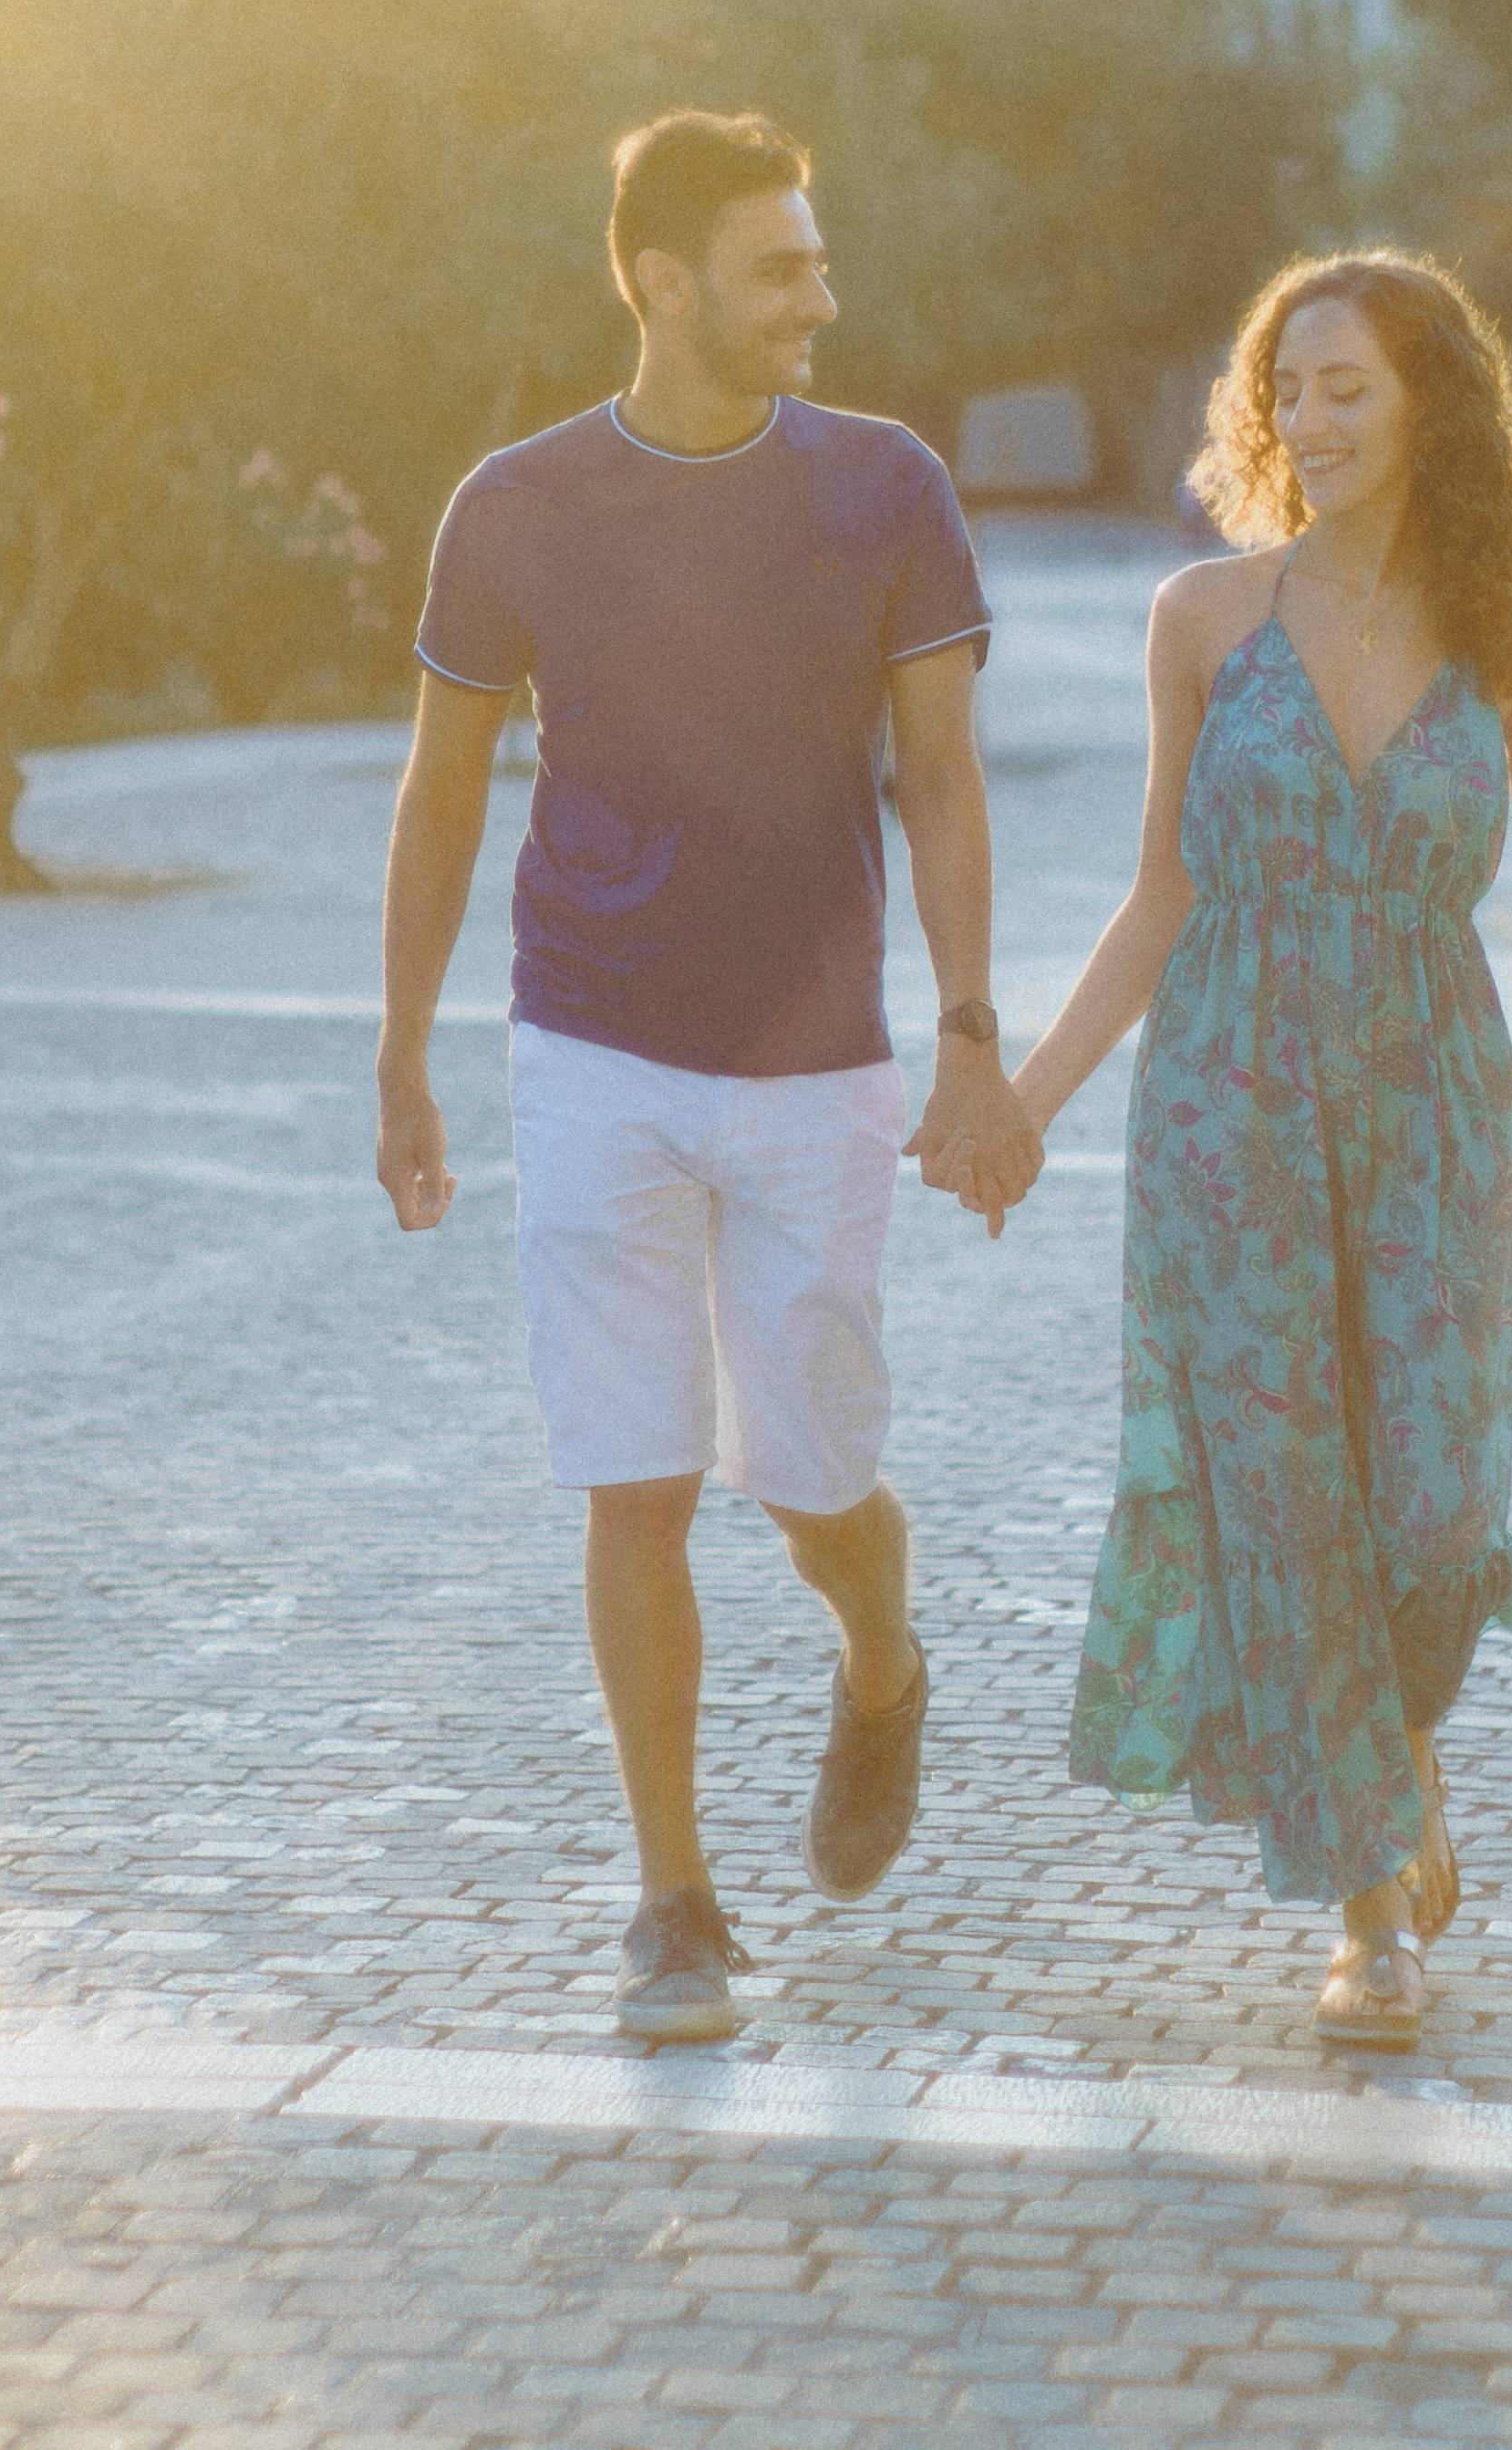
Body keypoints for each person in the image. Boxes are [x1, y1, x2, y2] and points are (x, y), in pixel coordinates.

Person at [375, 109, 1041, 2045]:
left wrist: (973, 1037)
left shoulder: (885, 487)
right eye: (781, 268)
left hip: (816, 1059)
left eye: (817, 262)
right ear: (665, 284)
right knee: (635, 1476)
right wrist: (404, 1054)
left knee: (811, 1476)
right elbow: (438, 795)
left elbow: (940, 783)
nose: (819, 298)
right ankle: (672, 1901)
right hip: (589, 1042)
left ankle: (882, 1659)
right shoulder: (516, 507)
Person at [1005, 249, 1512, 2049]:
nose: (1306, 419)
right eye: (1284, 390)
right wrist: (1028, 1099)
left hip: (1435, 1115)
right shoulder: (1202, 621)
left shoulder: (1509, 638)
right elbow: (1159, 896)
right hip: (1226, 1111)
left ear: (1427, 401)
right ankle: (1370, 1911)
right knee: (1290, 1506)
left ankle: (1395, 1758)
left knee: (1433, 1515)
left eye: (1345, 386)